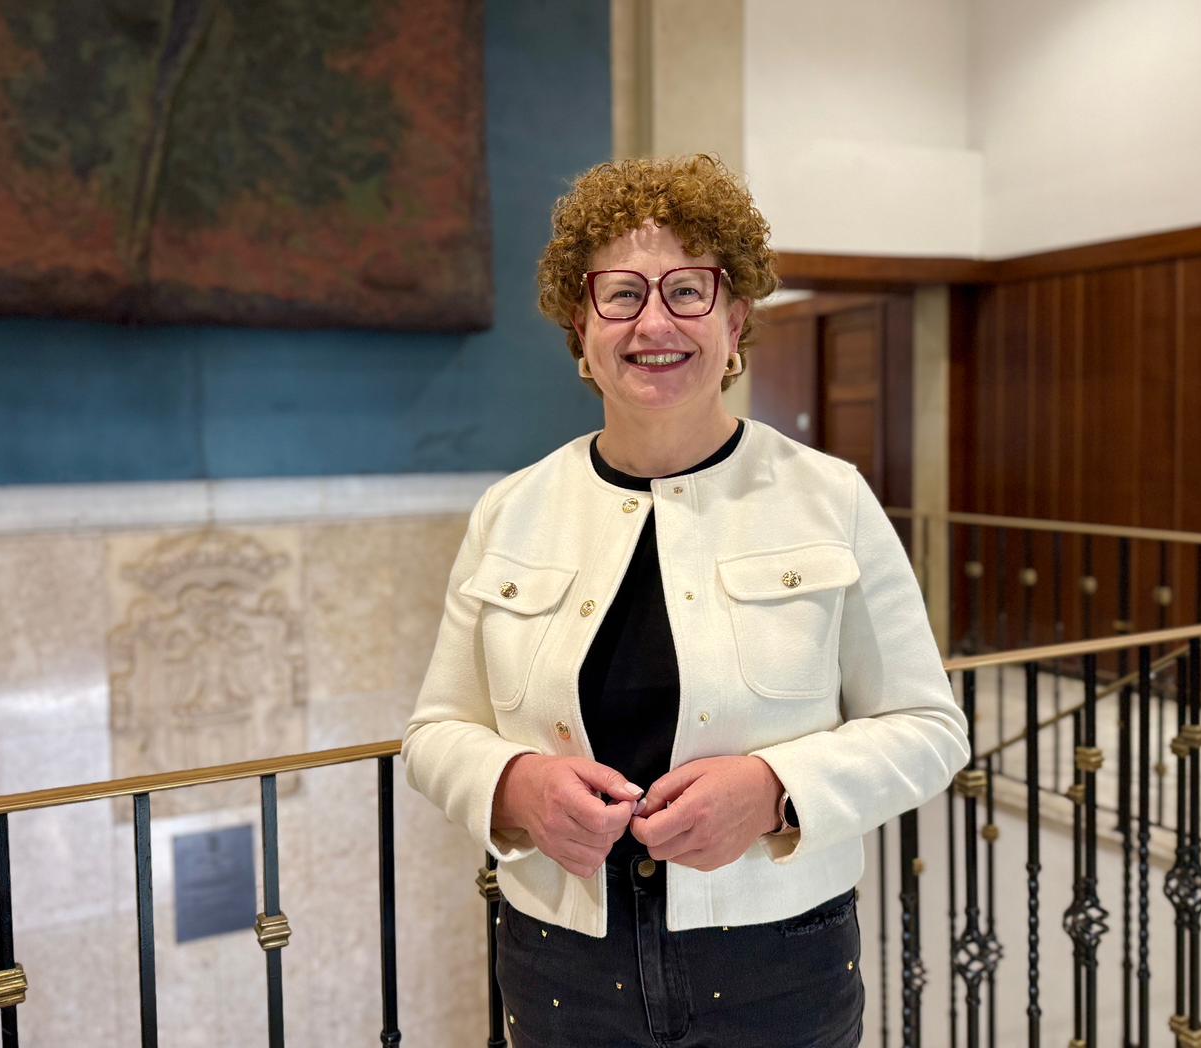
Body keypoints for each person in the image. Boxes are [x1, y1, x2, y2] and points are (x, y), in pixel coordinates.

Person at [402, 154, 969, 1048]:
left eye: (688, 291)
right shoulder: (511, 511)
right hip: (561, 967)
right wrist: (516, 785)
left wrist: (776, 791)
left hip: (779, 963)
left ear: (735, 321)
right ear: (581, 326)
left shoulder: (830, 498)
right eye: (622, 293)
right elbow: (437, 730)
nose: (654, 322)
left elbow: (930, 728)